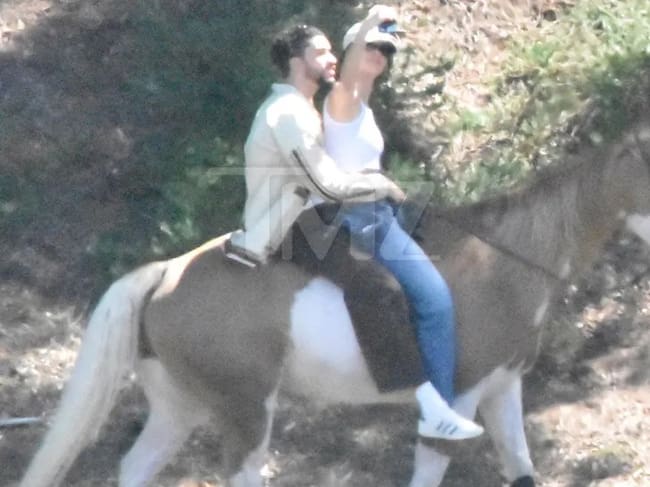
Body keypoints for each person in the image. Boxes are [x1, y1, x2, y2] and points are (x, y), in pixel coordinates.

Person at [321, 6, 484, 440]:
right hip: (363, 217)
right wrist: (371, 20)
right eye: (372, 47)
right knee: (436, 300)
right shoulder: (342, 97)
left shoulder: (362, 109)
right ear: (353, 51)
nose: (380, 53)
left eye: (386, 50)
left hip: (382, 209)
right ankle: (439, 411)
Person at [228, 24, 405, 264]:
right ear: (296, 62)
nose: (333, 59)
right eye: (321, 53)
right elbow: (326, 187)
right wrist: (383, 186)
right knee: (381, 283)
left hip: (307, 224)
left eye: (331, 52)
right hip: (289, 234)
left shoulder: (302, 109)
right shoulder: (287, 113)